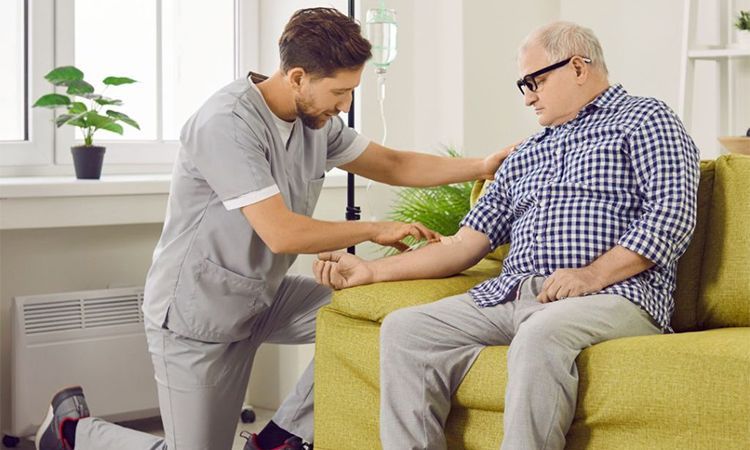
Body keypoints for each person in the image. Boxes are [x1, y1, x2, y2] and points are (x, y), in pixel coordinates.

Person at [34, 7, 514, 450]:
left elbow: (391, 163)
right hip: (199, 312)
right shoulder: (225, 122)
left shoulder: (314, 120)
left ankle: (280, 438)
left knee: (375, 316)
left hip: (265, 296)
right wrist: (373, 228)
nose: (345, 105)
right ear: (299, 77)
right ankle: (73, 431)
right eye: (340, 92)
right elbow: (280, 233)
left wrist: (480, 165)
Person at [314, 21, 700, 450]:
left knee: (541, 333)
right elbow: (464, 244)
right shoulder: (526, 153)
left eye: (535, 80)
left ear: (577, 67)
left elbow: (672, 215)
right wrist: (369, 271)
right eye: (523, 84)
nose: (528, 95)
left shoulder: (646, 119)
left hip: (615, 295)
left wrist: (591, 275)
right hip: (514, 296)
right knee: (407, 329)